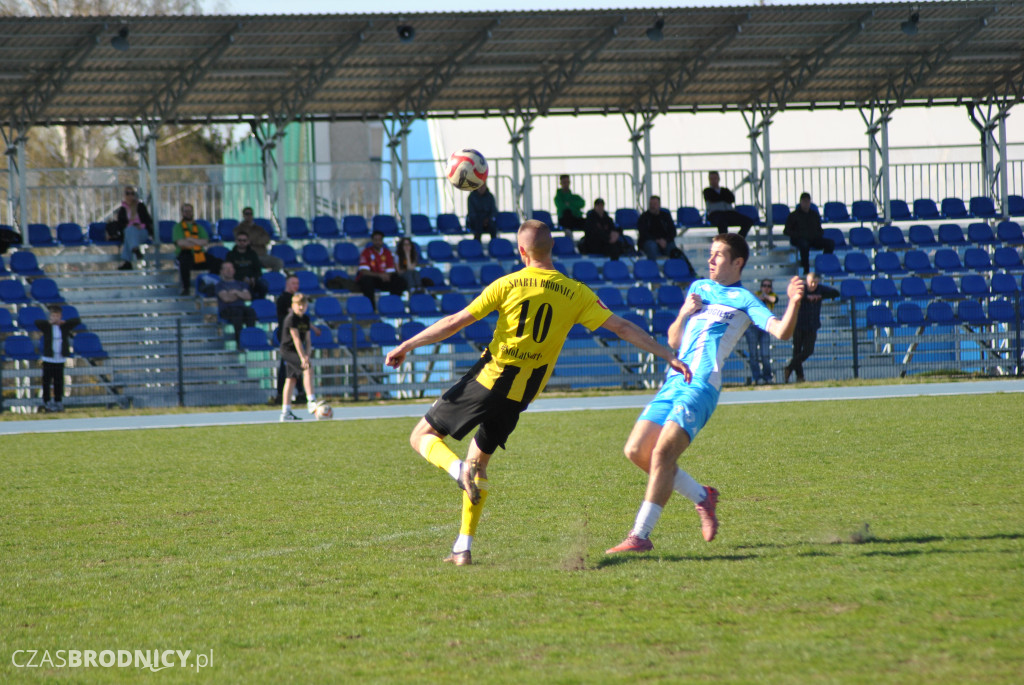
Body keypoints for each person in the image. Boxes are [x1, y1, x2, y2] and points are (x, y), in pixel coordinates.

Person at [384, 219, 688, 566]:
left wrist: (408, 343)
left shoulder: (509, 283)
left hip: (488, 380)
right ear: (552, 249)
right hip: (520, 396)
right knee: (479, 464)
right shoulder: (576, 292)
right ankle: (462, 547)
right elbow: (620, 326)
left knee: (421, 436)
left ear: (521, 251)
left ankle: (456, 472)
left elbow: (455, 322)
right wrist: (666, 353)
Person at [606, 233, 805, 555]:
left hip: (701, 384)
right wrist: (685, 312)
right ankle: (703, 496)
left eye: (718, 255)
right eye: (711, 254)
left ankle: (640, 535)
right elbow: (673, 341)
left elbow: (782, 332)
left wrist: (794, 302)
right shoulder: (699, 288)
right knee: (635, 451)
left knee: (661, 455)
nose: (710, 260)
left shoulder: (744, 299)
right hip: (673, 381)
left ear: (737, 262)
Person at [784, 271, 839, 384]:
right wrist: (806, 297)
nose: (813, 285)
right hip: (798, 325)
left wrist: (820, 296)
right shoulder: (802, 288)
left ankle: (789, 367)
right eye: (811, 282)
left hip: (812, 325)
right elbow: (793, 295)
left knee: (808, 350)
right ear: (806, 281)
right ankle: (800, 377)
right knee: (797, 350)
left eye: (815, 282)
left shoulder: (820, 289)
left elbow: (836, 293)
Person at [278, 293, 318, 422]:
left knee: (291, 380)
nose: (301, 307)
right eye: (298, 305)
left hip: (299, 351)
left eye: (304, 305)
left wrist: (308, 355)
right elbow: (296, 340)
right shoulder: (291, 319)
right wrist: (303, 358)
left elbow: (307, 340)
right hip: (288, 350)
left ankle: (285, 411)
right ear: (293, 306)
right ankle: (311, 400)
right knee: (308, 370)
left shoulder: (305, 319)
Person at [34, 304, 81, 413]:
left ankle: (58, 401)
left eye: (58, 316)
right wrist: (50, 323)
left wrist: (63, 322)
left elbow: (77, 321)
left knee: (58, 382)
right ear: (51, 316)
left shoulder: (63, 327)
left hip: (59, 359)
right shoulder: (47, 327)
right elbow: (37, 323)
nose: (56, 318)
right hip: (48, 359)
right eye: (54, 316)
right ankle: (47, 401)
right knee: (46, 382)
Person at [172, 203, 222, 295]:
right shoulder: (178, 227)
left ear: (193, 212)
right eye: (185, 211)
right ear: (182, 213)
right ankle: (186, 288)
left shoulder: (199, 227)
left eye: (189, 211)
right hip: (185, 254)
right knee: (184, 263)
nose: (188, 213)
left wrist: (190, 239)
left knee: (217, 262)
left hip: (199, 255)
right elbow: (180, 243)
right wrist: (197, 241)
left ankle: (210, 283)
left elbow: (205, 242)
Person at [784, 192, 834, 275]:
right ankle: (806, 269)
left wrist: (817, 234)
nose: (806, 203)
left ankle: (824, 264)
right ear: (800, 202)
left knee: (830, 243)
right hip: (800, 239)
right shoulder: (793, 215)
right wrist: (798, 235)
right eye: (804, 201)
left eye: (808, 201)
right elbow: (786, 231)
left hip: (813, 239)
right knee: (804, 245)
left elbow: (819, 229)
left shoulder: (814, 215)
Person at [357, 229, 405, 309]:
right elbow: (364, 271)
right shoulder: (366, 252)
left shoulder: (387, 252)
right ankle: (372, 308)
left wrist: (386, 276)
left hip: (383, 279)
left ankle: (393, 305)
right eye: (375, 240)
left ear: (382, 241)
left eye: (379, 240)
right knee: (366, 280)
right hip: (372, 279)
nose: (378, 242)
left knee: (399, 280)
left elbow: (390, 270)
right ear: (372, 241)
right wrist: (380, 275)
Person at [111, 185, 153, 271]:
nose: (130, 196)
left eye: (132, 193)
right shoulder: (122, 209)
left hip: (141, 231)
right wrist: (130, 226)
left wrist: (140, 225)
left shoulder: (140, 206)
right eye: (127, 193)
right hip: (129, 232)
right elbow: (120, 224)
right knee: (129, 230)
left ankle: (128, 261)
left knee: (129, 233)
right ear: (124, 195)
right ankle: (135, 250)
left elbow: (148, 220)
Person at [215, 261, 256, 346]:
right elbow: (226, 299)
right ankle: (240, 343)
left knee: (251, 311)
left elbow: (248, 297)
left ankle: (251, 338)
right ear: (222, 271)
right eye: (226, 268)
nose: (229, 270)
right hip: (227, 310)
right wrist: (240, 295)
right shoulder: (220, 285)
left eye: (231, 268)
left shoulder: (241, 284)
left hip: (241, 308)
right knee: (238, 313)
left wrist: (235, 292)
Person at [745, 278, 778, 385]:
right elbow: (752, 300)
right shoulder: (756, 294)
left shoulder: (772, 295)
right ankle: (757, 377)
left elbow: (774, 300)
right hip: (753, 327)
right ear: (761, 287)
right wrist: (762, 296)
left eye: (768, 286)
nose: (766, 288)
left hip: (765, 328)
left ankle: (767, 377)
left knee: (765, 354)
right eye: (764, 285)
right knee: (753, 354)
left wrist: (765, 296)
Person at [704, 171, 754, 237]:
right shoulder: (707, 191)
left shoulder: (725, 190)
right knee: (722, 223)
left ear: (718, 179)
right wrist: (723, 197)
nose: (713, 181)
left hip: (729, 212)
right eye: (711, 179)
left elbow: (731, 199)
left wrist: (720, 197)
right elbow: (712, 198)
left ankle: (738, 239)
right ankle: (725, 242)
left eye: (715, 178)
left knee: (748, 221)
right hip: (715, 214)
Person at [233, 207, 284, 272]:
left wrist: (252, 241)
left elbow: (266, 239)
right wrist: (258, 240)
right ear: (243, 215)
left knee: (278, 262)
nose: (249, 216)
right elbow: (242, 239)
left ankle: (269, 278)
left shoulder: (259, 228)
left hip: (262, 255)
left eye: (250, 214)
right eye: (247, 214)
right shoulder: (239, 228)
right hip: (247, 256)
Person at [226, 231, 267, 300]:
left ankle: (258, 305)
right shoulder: (230, 255)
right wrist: (242, 278)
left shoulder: (253, 254)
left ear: (248, 242)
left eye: (244, 240)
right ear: (236, 241)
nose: (242, 242)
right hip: (237, 281)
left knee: (263, 286)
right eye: (239, 240)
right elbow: (228, 271)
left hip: (252, 281)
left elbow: (258, 269)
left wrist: (254, 278)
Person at [636, 195, 677, 260]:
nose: (652, 206)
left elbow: (673, 231)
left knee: (672, 247)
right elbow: (643, 234)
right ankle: (653, 268)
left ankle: (672, 268)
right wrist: (657, 241)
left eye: (655, 204)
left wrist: (665, 240)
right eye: (651, 204)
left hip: (665, 241)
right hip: (650, 241)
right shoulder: (644, 217)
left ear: (659, 205)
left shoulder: (666, 216)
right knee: (652, 246)